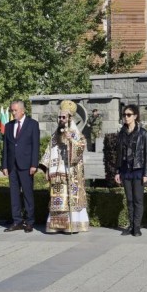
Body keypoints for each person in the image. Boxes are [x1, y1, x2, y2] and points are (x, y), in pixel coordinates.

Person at [39, 100, 89, 234]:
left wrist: (71, 141)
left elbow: (81, 147)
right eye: (59, 117)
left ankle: (70, 226)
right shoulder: (55, 134)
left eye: (63, 117)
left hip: (70, 174)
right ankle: (56, 226)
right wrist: (47, 169)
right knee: (57, 200)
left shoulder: (75, 133)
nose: (61, 119)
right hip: (56, 174)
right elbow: (49, 151)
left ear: (69, 118)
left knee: (69, 200)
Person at [2, 100, 40, 233]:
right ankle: (17, 221)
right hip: (12, 166)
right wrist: (4, 165)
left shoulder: (32, 124)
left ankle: (30, 221)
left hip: (26, 165)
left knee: (27, 194)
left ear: (23, 110)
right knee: (14, 194)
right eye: (12, 110)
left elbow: (36, 145)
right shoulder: (8, 126)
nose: (13, 113)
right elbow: (5, 147)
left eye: (15, 110)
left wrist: (34, 164)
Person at [114, 105, 147, 237]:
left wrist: (146, 173)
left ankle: (137, 227)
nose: (126, 117)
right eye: (124, 115)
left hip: (138, 170)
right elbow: (118, 154)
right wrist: (117, 171)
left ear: (135, 116)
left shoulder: (143, 133)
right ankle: (131, 225)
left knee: (138, 200)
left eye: (129, 114)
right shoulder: (121, 133)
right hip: (125, 170)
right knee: (129, 200)